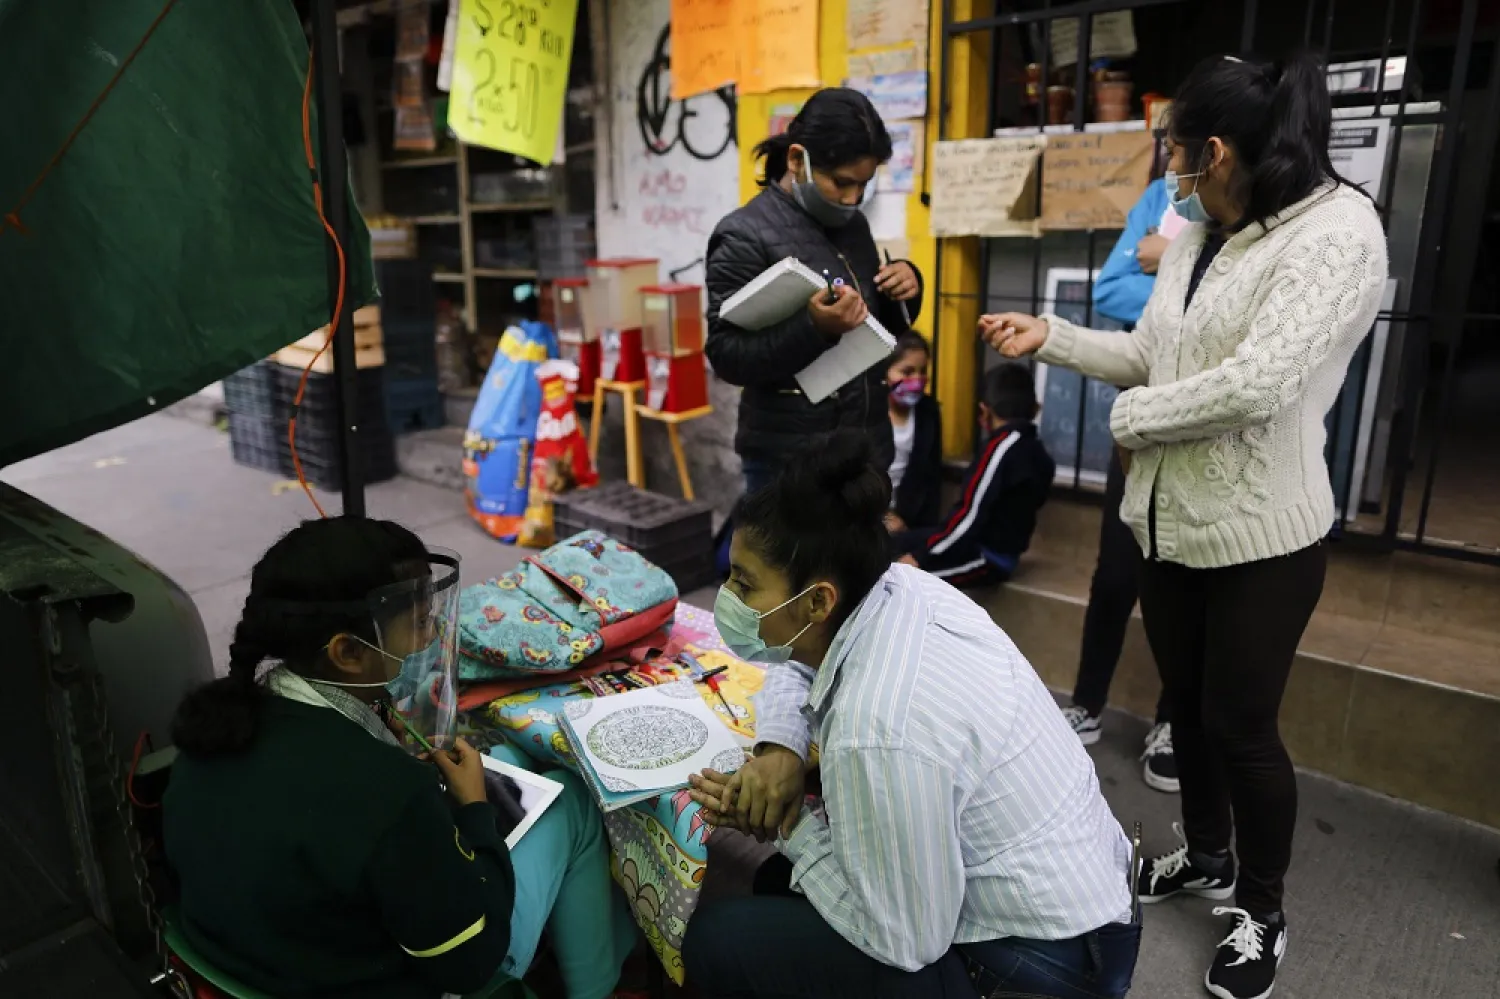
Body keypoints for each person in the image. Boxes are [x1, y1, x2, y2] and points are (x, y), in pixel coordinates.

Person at [981, 52, 1388, 999]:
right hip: (1164, 527)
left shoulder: (1335, 235)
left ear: (1215, 149)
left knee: (1243, 728)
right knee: (1190, 716)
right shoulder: (1204, 227)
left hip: (1261, 539)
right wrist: (1059, 339)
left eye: (1173, 154)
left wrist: (1128, 421)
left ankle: (1264, 907)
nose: (1168, 175)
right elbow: (1154, 353)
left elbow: (1260, 385)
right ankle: (1205, 857)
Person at [680, 432, 1139, 999]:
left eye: (743, 583)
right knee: (780, 882)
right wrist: (781, 750)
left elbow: (906, 941)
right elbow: (796, 661)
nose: (724, 595)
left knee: (714, 940)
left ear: (817, 601)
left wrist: (789, 822)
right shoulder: (897, 589)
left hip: (1050, 961)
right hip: (1087, 891)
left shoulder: (875, 730)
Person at [163, 517, 637, 999]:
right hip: (411, 978)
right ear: (347, 651)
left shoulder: (212, 729)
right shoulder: (390, 791)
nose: (430, 638)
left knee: (514, 759)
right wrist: (475, 812)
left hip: (262, 963)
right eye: (417, 623)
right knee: (570, 801)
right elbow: (468, 965)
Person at [705, 87, 924, 496]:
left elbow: (873, 327)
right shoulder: (743, 235)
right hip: (791, 465)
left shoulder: (853, 225)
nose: (853, 198)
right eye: (841, 183)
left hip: (864, 452)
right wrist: (814, 328)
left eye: (864, 184)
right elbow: (726, 358)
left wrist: (906, 287)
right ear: (796, 160)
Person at [1061, 175, 1182, 795]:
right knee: (1115, 574)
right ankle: (1086, 702)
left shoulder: (1256, 210)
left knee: (1183, 588)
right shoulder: (1159, 200)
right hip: (1137, 423)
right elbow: (1111, 289)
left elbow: (1226, 315)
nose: (1174, 167)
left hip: (1200, 440)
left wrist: (1177, 256)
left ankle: (1174, 724)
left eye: (1185, 151)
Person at [892, 363, 1053, 588]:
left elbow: (968, 517)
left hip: (987, 557)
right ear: (1035, 409)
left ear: (985, 410)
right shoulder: (1036, 450)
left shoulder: (1000, 449)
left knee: (898, 580)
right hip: (983, 547)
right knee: (892, 543)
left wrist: (920, 557)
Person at [883, 332, 943, 534]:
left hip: (910, 519)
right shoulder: (867, 409)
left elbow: (931, 476)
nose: (917, 380)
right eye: (907, 372)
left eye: (923, 370)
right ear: (884, 372)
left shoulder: (928, 411)